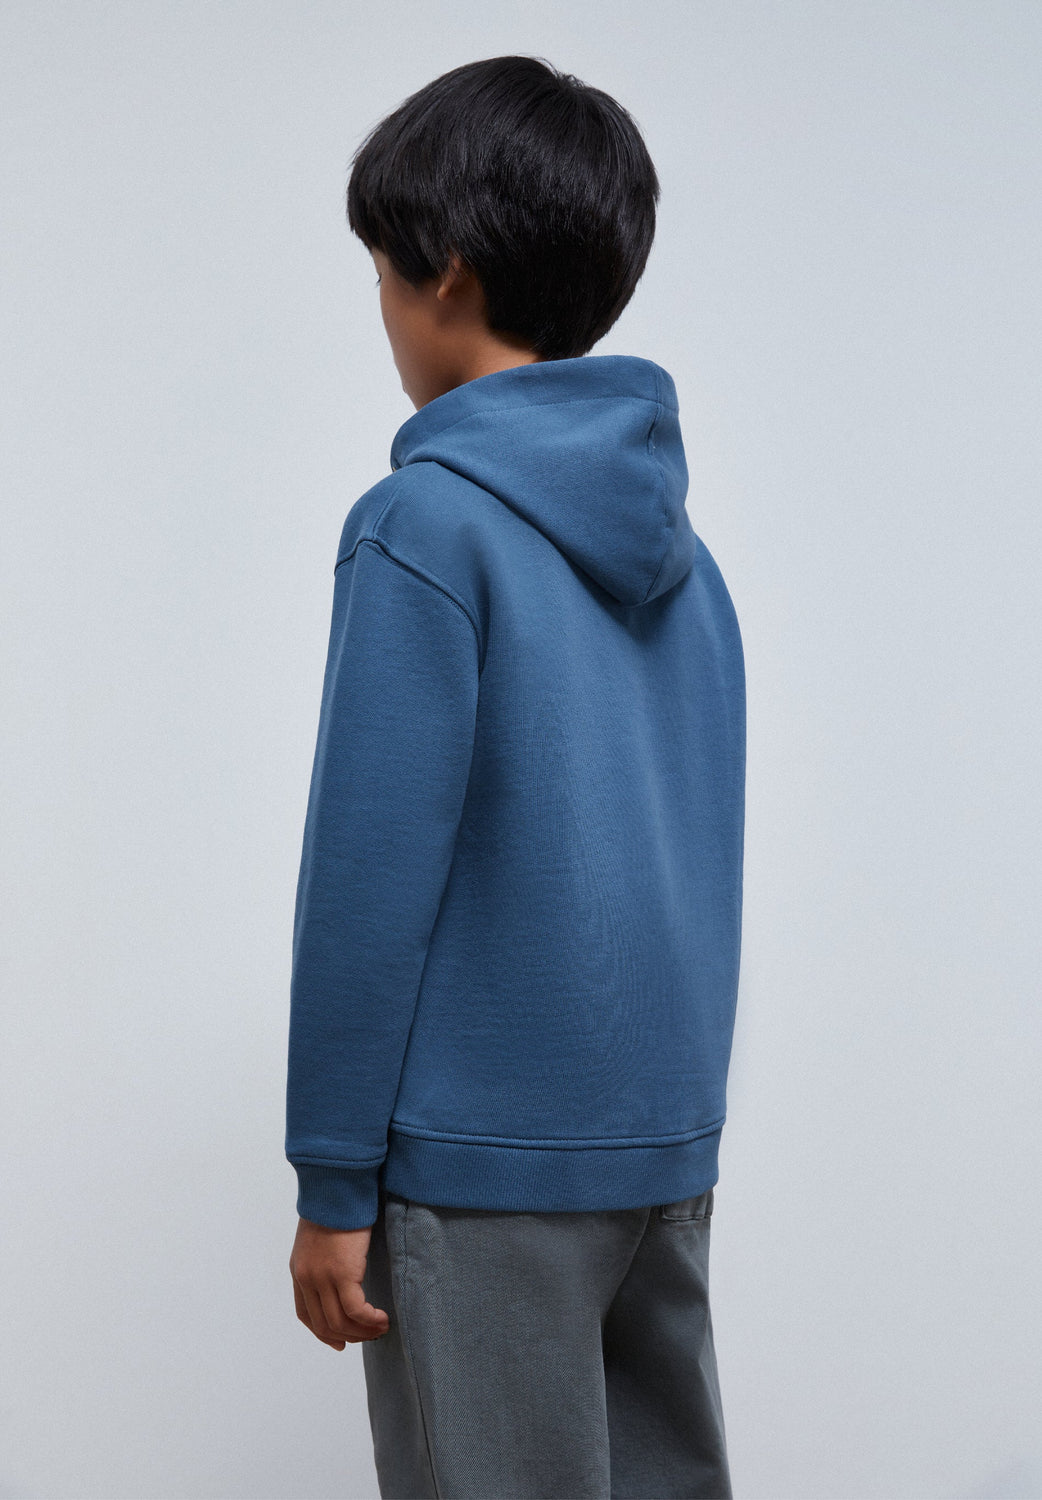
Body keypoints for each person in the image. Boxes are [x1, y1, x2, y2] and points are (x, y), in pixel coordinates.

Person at [285, 54, 745, 1500]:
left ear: (447, 274)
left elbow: (370, 878)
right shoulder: (689, 564)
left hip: (480, 1170)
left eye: (379, 269)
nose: (379, 309)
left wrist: (331, 1181)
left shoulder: (421, 527)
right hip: (656, 1147)